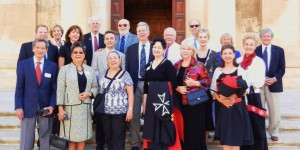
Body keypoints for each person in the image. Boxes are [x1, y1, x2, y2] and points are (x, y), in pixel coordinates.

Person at [15, 38, 58, 150]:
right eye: (37, 47)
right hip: (27, 107)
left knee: (45, 142)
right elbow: (19, 87)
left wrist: (52, 106)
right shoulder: (23, 65)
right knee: (26, 141)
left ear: (46, 50)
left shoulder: (52, 66)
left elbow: (55, 89)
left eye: (43, 48)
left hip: (46, 108)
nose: (40, 50)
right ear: (33, 48)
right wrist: (18, 107)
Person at [211, 44, 253, 150]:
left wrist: (233, 97)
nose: (227, 56)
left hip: (237, 108)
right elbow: (212, 89)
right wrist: (221, 100)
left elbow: (246, 89)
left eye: (230, 53)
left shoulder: (240, 70)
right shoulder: (218, 71)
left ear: (234, 55)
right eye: (225, 53)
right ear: (221, 55)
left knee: (235, 141)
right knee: (225, 141)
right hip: (223, 109)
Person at [56, 42, 98, 150]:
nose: (78, 54)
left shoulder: (90, 70)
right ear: (71, 55)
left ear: (84, 54)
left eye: (80, 52)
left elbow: (95, 87)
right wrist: (60, 109)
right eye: (75, 52)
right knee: (71, 139)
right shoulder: (64, 70)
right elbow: (60, 90)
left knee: (82, 138)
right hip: (70, 109)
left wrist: (89, 93)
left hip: (85, 109)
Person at [91, 30, 126, 150]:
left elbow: (124, 73)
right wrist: (105, 76)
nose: (109, 40)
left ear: (115, 40)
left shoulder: (122, 55)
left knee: (116, 131)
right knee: (101, 126)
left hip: (116, 97)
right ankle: (100, 146)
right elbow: (93, 70)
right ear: (104, 40)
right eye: (107, 38)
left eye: (112, 38)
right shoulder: (97, 54)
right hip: (102, 93)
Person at [174, 39, 211, 150]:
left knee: (195, 131)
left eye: (188, 49)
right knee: (183, 130)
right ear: (180, 50)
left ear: (192, 51)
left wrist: (195, 83)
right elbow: (172, 82)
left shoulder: (199, 65)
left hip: (195, 103)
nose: (186, 51)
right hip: (180, 103)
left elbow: (208, 81)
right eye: (184, 48)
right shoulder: (176, 65)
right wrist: (177, 88)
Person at [142, 37, 178, 149]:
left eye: (159, 47)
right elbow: (146, 86)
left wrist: (154, 85)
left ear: (163, 50)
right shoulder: (148, 65)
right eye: (154, 47)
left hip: (163, 102)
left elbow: (173, 83)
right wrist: (144, 102)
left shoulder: (167, 64)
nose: (156, 49)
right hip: (151, 102)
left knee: (163, 127)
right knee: (152, 126)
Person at [96, 51, 134, 150]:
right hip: (105, 112)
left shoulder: (125, 74)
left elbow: (130, 94)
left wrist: (130, 109)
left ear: (119, 60)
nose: (113, 60)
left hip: (120, 112)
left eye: (115, 58)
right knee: (108, 138)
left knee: (119, 138)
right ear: (107, 61)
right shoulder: (101, 74)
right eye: (110, 58)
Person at [126, 22, 154, 150]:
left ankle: (149, 141)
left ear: (148, 32)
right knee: (135, 114)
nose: (141, 33)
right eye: (139, 31)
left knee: (151, 114)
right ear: (136, 34)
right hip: (135, 85)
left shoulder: (156, 47)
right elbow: (127, 68)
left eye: (144, 31)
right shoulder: (131, 49)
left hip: (151, 85)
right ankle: (135, 143)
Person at [255, 28, 285, 141]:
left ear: (271, 37)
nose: (266, 38)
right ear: (261, 38)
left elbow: (282, 69)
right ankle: (260, 132)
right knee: (259, 109)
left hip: (274, 84)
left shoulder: (279, 50)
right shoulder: (256, 50)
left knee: (275, 111)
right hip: (259, 84)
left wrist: (274, 79)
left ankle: (273, 132)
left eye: (268, 36)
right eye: (264, 36)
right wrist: (261, 79)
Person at [240, 34, 268, 150]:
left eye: (251, 44)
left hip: (254, 96)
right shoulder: (238, 61)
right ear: (243, 45)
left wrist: (246, 87)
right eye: (247, 44)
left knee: (256, 124)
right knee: (243, 124)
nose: (249, 46)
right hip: (241, 97)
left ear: (255, 46)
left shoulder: (259, 62)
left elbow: (259, 81)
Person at [196, 29, 218, 133]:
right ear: (197, 38)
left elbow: (216, 71)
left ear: (208, 38)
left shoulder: (213, 53)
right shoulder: (193, 53)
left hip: (208, 89)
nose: (203, 39)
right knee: (197, 114)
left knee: (207, 113)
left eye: (205, 37)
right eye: (200, 37)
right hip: (195, 90)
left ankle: (204, 140)